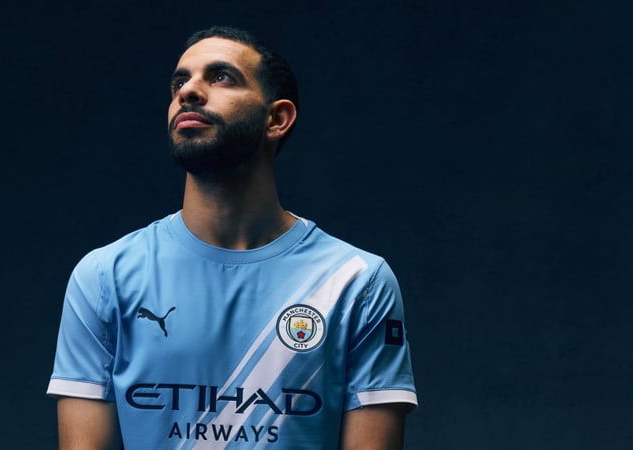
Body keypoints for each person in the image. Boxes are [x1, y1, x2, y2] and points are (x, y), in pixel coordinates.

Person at [47, 26, 417, 450]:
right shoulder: (104, 277)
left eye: (221, 77)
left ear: (277, 119)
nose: (189, 91)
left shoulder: (357, 282)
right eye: (179, 82)